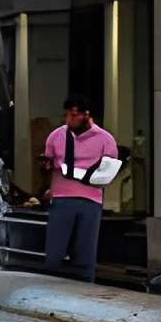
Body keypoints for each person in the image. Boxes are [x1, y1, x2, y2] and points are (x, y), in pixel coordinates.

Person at [41, 92, 120, 284]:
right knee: (54, 254)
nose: (69, 119)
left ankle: (86, 292)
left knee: (85, 254)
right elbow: (48, 163)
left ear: (86, 115)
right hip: (61, 198)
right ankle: (48, 291)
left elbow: (109, 171)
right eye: (67, 114)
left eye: (74, 115)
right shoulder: (56, 136)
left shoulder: (105, 139)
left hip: (90, 200)